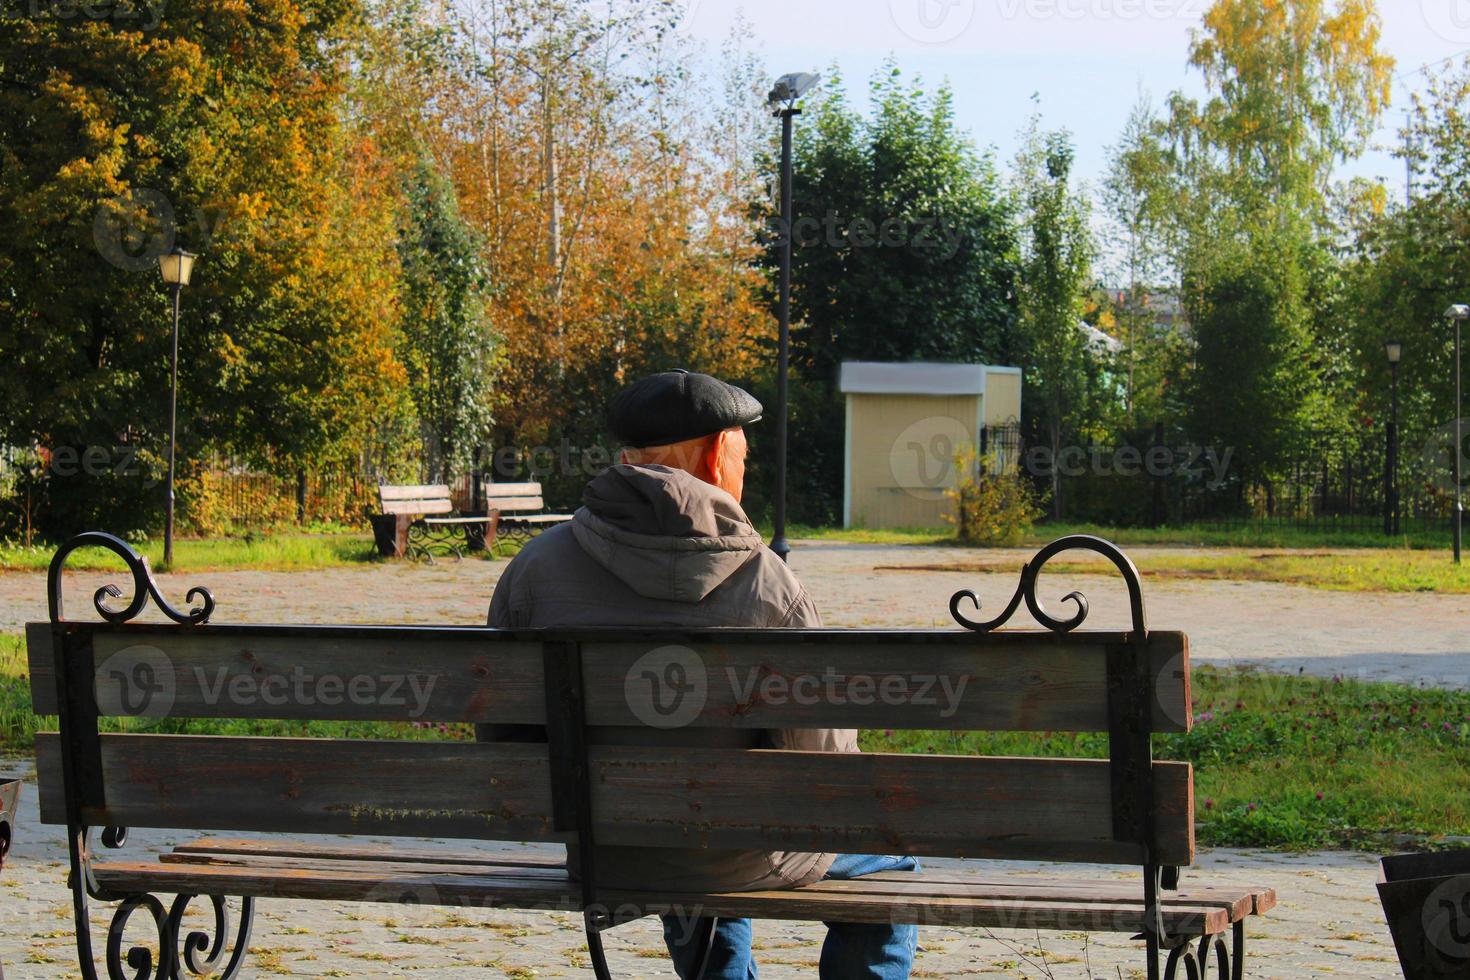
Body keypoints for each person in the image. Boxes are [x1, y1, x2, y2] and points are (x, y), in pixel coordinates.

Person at [484, 369, 918, 979]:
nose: (746, 469)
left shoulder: (534, 567)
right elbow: (826, 766)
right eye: (743, 453)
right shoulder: (768, 582)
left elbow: (504, 742)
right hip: (736, 853)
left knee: (681, 834)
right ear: (717, 454)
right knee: (888, 863)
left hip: (608, 852)